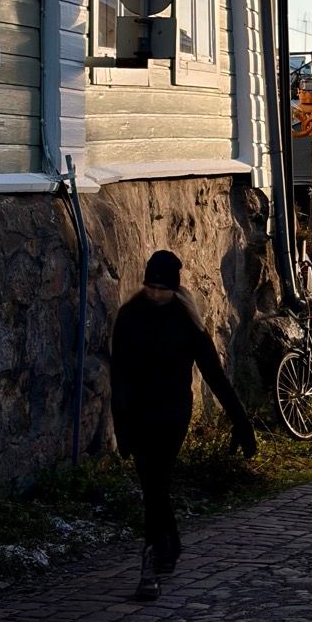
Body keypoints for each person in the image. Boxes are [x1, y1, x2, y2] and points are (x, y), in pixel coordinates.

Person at [111, 250, 257, 603]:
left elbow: (214, 374)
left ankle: (151, 563)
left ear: (174, 289)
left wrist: (241, 422)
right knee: (153, 486)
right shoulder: (130, 317)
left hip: (172, 414)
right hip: (139, 413)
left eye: (161, 288)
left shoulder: (185, 322)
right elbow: (120, 376)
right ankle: (169, 543)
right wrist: (122, 426)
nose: (154, 293)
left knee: (156, 482)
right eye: (150, 286)